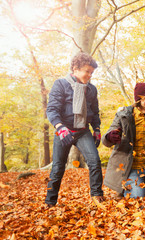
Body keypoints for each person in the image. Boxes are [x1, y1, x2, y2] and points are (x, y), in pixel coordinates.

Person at [45, 52, 104, 207]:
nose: (89, 75)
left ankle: (97, 196)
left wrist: (96, 129)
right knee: (58, 167)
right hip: (64, 130)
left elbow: (95, 112)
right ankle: (50, 202)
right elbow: (52, 109)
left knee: (94, 161)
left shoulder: (91, 89)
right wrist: (60, 127)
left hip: (83, 131)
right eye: (87, 71)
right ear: (75, 69)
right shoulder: (61, 84)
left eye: (92, 72)